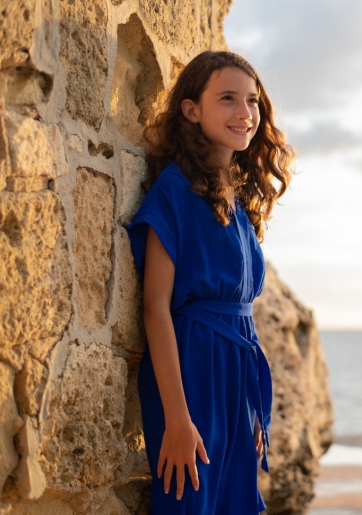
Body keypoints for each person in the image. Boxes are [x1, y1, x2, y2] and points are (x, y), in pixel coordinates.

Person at [126, 50, 294, 513]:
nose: (245, 113)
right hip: (192, 372)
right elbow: (155, 308)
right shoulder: (175, 189)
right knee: (190, 502)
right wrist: (178, 419)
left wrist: (251, 406)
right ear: (191, 109)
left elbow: (244, 313)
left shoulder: (238, 199)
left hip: (236, 378)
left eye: (252, 101)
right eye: (227, 99)